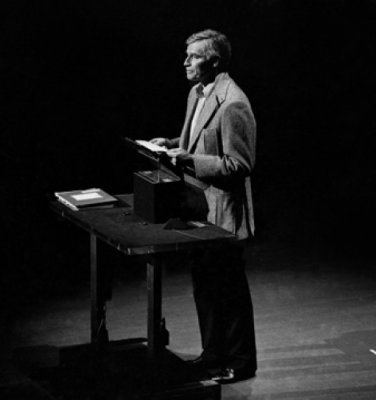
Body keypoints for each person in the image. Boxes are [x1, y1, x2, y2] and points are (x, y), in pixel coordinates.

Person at [151, 29, 257, 384]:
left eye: (194, 56)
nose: (185, 62)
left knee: (228, 289)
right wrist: (170, 144)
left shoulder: (233, 102)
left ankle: (240, 362)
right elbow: (197, 137)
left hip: (223, 212)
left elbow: (238, 165)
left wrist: (190, 159)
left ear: (214, 61)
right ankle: (213, 354)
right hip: (197, 207)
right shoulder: (197, 92)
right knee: (205, 286)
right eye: (187, 54)